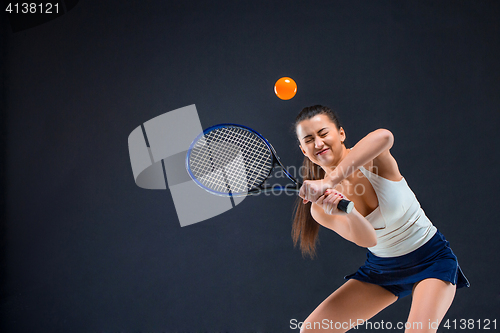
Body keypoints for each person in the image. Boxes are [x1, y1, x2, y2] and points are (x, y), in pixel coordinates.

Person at [292, 105, 469, 333]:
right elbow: (368, 240)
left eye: (323, 133)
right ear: (304, 151)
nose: (318, 143)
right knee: (313, 330)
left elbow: (384, 136)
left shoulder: (371, 159)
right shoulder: (319, 209)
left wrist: (329, 181)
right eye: (309, 140)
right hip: (382, 270)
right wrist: (345, 210)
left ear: (341, 134)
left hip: (432, 258)